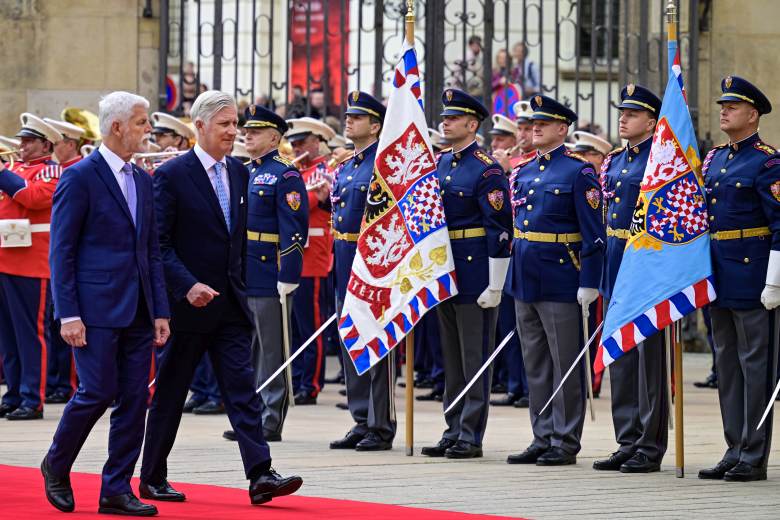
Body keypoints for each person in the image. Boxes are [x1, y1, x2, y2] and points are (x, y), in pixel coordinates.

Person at [140, 90, 303, 505]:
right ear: (200, 127)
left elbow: (239, 239)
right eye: (226, 125)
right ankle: (152, 475)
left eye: (237, 125)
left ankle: (260, 474)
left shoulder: (239, 173)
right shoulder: (173, 175)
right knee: (172, 393)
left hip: (230, 303)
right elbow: (159, 245)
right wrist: (186, 285)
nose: (234, 132)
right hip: (187, 307)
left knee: (241, 389)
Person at [41, 91, 170, 515]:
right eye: (141, 122)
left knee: (135, 399)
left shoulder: (144, 181)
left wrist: (160, 310)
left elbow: (150, 250)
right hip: (93, 309)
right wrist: (69, 314)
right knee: (96, 391)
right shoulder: (80, 177)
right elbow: (62, 251)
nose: (148, 130)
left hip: (138, 310)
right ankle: (56, 464)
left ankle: (116, 488)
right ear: (117, 127)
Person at [505, 95, 604, 466]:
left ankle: (564, 439)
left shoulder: (578, 173)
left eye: (543, 124)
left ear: (562, 129)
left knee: (565, 361)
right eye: (533, 124)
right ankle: (541, 433)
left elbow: (594, 233)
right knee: (535, 361)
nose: (535, 128)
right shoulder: (524, 171)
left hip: (563, 275)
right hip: (526, 275)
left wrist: (589, 281)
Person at [420, 89, 512, 459]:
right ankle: (452, 426)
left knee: (475, 355)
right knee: (452, 356)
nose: (445, 122)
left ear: (472, 124)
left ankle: (471, 434)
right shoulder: (440, 164)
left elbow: (499, 227)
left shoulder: (486, 168)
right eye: (444, 118)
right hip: (446, 269)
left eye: (453, 118)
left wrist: (495, 281)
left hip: (475, 271)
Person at [699, 76, 780, 482]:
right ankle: (734, 446)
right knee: (727, 365)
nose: (724, 111)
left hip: (752, 273)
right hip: (719, 274)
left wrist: (775, 281)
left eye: (732, 106)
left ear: (753, 115)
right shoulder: (714, 159)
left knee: (755, 366)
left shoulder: (768, 162)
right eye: (722, 106)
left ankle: (754, 452)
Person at [593, 84, 668, 474]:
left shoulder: (660, 160)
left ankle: (649, 444)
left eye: (633, 113)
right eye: (622, 112)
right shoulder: (615, 160)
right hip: (616, 262)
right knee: (619, 355)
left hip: (646, 264)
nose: (623, 118)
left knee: (648, 360)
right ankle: (627, 438)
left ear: (652, 122)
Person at [226, 103, 308, 442]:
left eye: (255, 131)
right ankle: (254, 414)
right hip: (247, 268)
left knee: (273, 347)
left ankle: (272, 418)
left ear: (274, 137)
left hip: (270, 269)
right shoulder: (248, 170)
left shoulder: (285, 173)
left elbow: (294, 228)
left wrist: (288, 272)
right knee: (252, 348)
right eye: (247, 130)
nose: (247, 134)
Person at [328, 91, 397, 451]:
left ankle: (380, 423)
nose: (349, 121)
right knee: (350, 339)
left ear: (376, 125)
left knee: (376, 341)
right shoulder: (347, 166)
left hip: (371, 263)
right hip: (343, 257)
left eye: (358, 117)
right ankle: (360, 418)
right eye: (348, 116)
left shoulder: (382, 164)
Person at [0, 113, 62, 420]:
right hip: (4, 259)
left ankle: (31, 398)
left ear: (45, 144)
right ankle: (12, 393)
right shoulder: (12, 168)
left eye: (28, 142)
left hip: (31, 262)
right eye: (21, 141)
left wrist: (3, 173)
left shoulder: (51, 170)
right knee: (8, 335)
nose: (21, 147)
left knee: (30, 334)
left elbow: (34, 198)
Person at [285, 117, 336, 405]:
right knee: (293, 326)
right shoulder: (295, 173)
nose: (295, 147)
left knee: (310, 325)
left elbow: (302, 205)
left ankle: (311, 383)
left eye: (302, 142)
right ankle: (296, 378)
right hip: (292, 256)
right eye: (293, 143)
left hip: (313, 256)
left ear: (317, 141)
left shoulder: (324, 172)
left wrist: (309, 197)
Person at [42, 117, 86, 404]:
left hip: (74, 260)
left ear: (71, 144)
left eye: (56, 143)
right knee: (53, 324)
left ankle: (66, 383)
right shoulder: (63, 172)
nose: (53, 149)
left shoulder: (75, 173)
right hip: (53, 256)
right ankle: (58, 381)